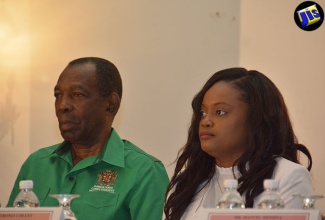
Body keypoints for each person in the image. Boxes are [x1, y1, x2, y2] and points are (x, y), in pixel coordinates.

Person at [7, 57, 169, 220]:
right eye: (58, 95)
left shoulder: (144, 172)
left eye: (77, 94)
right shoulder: (36, 164)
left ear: (110, 105)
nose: (62, 105)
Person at [164, 68, 314, 220]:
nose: (205, 121)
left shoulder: (288, 176)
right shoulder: (186, 184)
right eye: (203, 113)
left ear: (255, 119)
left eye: (220, 112)